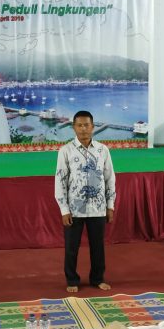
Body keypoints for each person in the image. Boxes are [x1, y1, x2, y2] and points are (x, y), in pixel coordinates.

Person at [55, 110, 116, 293]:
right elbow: (60, 181)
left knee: (98, 247)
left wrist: (110, 205)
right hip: (74, 209)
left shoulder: (103, 150)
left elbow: (110, 178)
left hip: (98, 208)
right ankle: (72, 280)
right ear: (74, 127)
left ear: (93, 127)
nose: (83, 129)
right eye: (79, 125)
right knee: (71, 248)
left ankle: (97, 279)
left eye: (86, 125)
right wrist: (64, 209)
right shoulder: (65, 151)